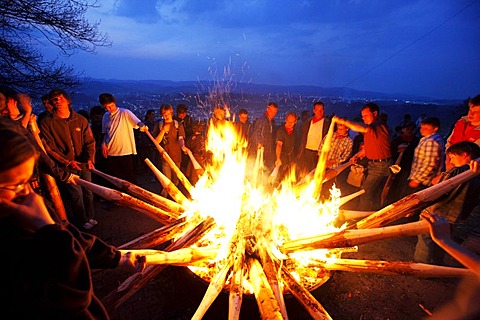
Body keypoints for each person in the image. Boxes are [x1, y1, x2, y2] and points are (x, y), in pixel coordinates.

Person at [0, 129, 144, 319]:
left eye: (28, 182)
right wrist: (47, 230)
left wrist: (117, 258)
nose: (28, 194)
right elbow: (71, 298)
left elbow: (71, 236)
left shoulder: (25, 206)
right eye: (16, 185)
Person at [414, 141, 480, 265]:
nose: (451, 161)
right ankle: (436, 264)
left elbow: (437, 192)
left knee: (426, 239)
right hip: (453, 217)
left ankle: (422, 264)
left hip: (434, 213)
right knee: (443, 241)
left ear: (464, 154)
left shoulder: (456, 172)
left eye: (452, 157)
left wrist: (416, 207)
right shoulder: (477, 175)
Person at [40, 88, 97, 229]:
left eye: (60, 99)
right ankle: (82, 221)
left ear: (67, 100)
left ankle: (90, 216)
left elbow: (89, 141)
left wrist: (90, 158)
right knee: (75, 194)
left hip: (83, 164)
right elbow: (49, 147)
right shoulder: (48, 122)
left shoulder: (80, 120)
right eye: (54, 100)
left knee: (88, 192)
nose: (57, 102)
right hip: (66, 166)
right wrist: (66, 161)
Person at [333, 102, 391, 211]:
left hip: (381, 165)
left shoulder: (379, 125)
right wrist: (358, 154)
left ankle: (361, 218)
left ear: (375, 113)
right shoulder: (372, 130)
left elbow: (363, 128)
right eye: (362, 116)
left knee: (365, 191)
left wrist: (344, 121)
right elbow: (371, 146)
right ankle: (370, 212)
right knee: (370, 192)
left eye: (366, 116)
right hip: (374, 164)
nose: (364, 119)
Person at [99, 93, 147, 184]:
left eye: (112, 106)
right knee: (115, 179)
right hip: (111, 152)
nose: (110, 109)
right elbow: (105, 133)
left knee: (129, 177)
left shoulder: (124, 112)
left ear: (114, 103)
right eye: (107, 107)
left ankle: (135, 196)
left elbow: (137, 122)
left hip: (125, 152)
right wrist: (103, 143)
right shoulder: (105, 116)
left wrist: (142, 126)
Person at [402, 117, 444, 198]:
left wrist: (417, 180)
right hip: (421, 179)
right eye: (422, 127)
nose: (422, 130)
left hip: (422, 182)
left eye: (426, 128)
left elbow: (430, 163)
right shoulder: (427, 139)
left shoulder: (431, 142)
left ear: (435, 129)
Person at [153, 103, 187, 196]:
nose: (166, 116)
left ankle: (175, 196)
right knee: (166, 180)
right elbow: (156, 142)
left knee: (176, 180)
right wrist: (163, 130)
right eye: (164, 114)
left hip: (176, 157)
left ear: (171, 113)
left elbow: (181, 138)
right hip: (164, 157)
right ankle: (165, 196)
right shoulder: (159, 125)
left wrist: (182, 146)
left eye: (167, 114)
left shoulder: (177, 125)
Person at [383, 121, 420, 205]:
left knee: (402, 186)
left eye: (412, 129)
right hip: (395, 167)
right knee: (391, 185)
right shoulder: (397, 140)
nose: (409, 131)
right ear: (403, 129)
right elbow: (390, 152)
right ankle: (387, 202)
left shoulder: (416, 141)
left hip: (408, 168)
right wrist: (398, 152)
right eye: (407, 129)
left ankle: (398, 203)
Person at [445, 94, 480, 169]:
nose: (471, 114)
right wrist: (448, 161)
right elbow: (449, 143)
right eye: (470, 110)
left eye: (476, 112)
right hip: (451, 166)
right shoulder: (461, 123)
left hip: (467, 172)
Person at [297, 101, 331, 177]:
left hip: (319, 153)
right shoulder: (307, 123)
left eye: (321, 110)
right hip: (307, 151)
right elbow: (302, 137)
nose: (320, 112)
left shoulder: (327, 123)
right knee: (305, 173)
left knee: (317, 174)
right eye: (318, 110)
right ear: (314, 110)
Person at [249, 102, 278, 169]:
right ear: (267, 109)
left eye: (275, 112)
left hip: (267, 150)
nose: (273, 113)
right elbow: (258, 133)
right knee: (257, 167)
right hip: (260, 150)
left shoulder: (272, 122)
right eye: (272, 111)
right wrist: (260, 144)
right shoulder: (262, 120)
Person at [274, 112, 298, 183]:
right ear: (285, 120)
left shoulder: (295, 132)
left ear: (295, 121)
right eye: (288, 121)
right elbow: (279, 145)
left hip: (291, 158)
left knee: (289, 178)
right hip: (282, 158)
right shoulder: (281, 131)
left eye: (292, 122)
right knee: (279, 178)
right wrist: (278, 158)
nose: (290, 123)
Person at [184, 120, 206, 185]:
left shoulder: (189, 138)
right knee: (200, 178)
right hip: (201, 160)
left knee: (193, 179)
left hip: (192, 160)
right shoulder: (203, 139)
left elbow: (186, 149)